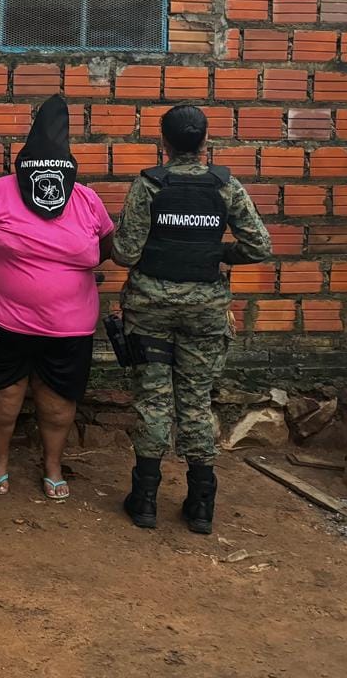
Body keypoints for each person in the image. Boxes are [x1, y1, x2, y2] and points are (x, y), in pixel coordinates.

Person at [113, 104, 271, 535]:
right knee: (196, 402)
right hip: (205, 311)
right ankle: (201, 505)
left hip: (150, 310)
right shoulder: (226, 187)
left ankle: (144, 500)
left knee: (153, 399)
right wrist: (216, 254)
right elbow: (259, 247)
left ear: (163, 142)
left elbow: (125, 253)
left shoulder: (148, 185)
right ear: (204, 141)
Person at [0, 94, 114, 500]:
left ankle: (53, 466)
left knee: (58, 401)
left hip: (68, 326)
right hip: (0, 318)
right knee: (0, 395)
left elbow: (107, 245)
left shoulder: (87, 200)